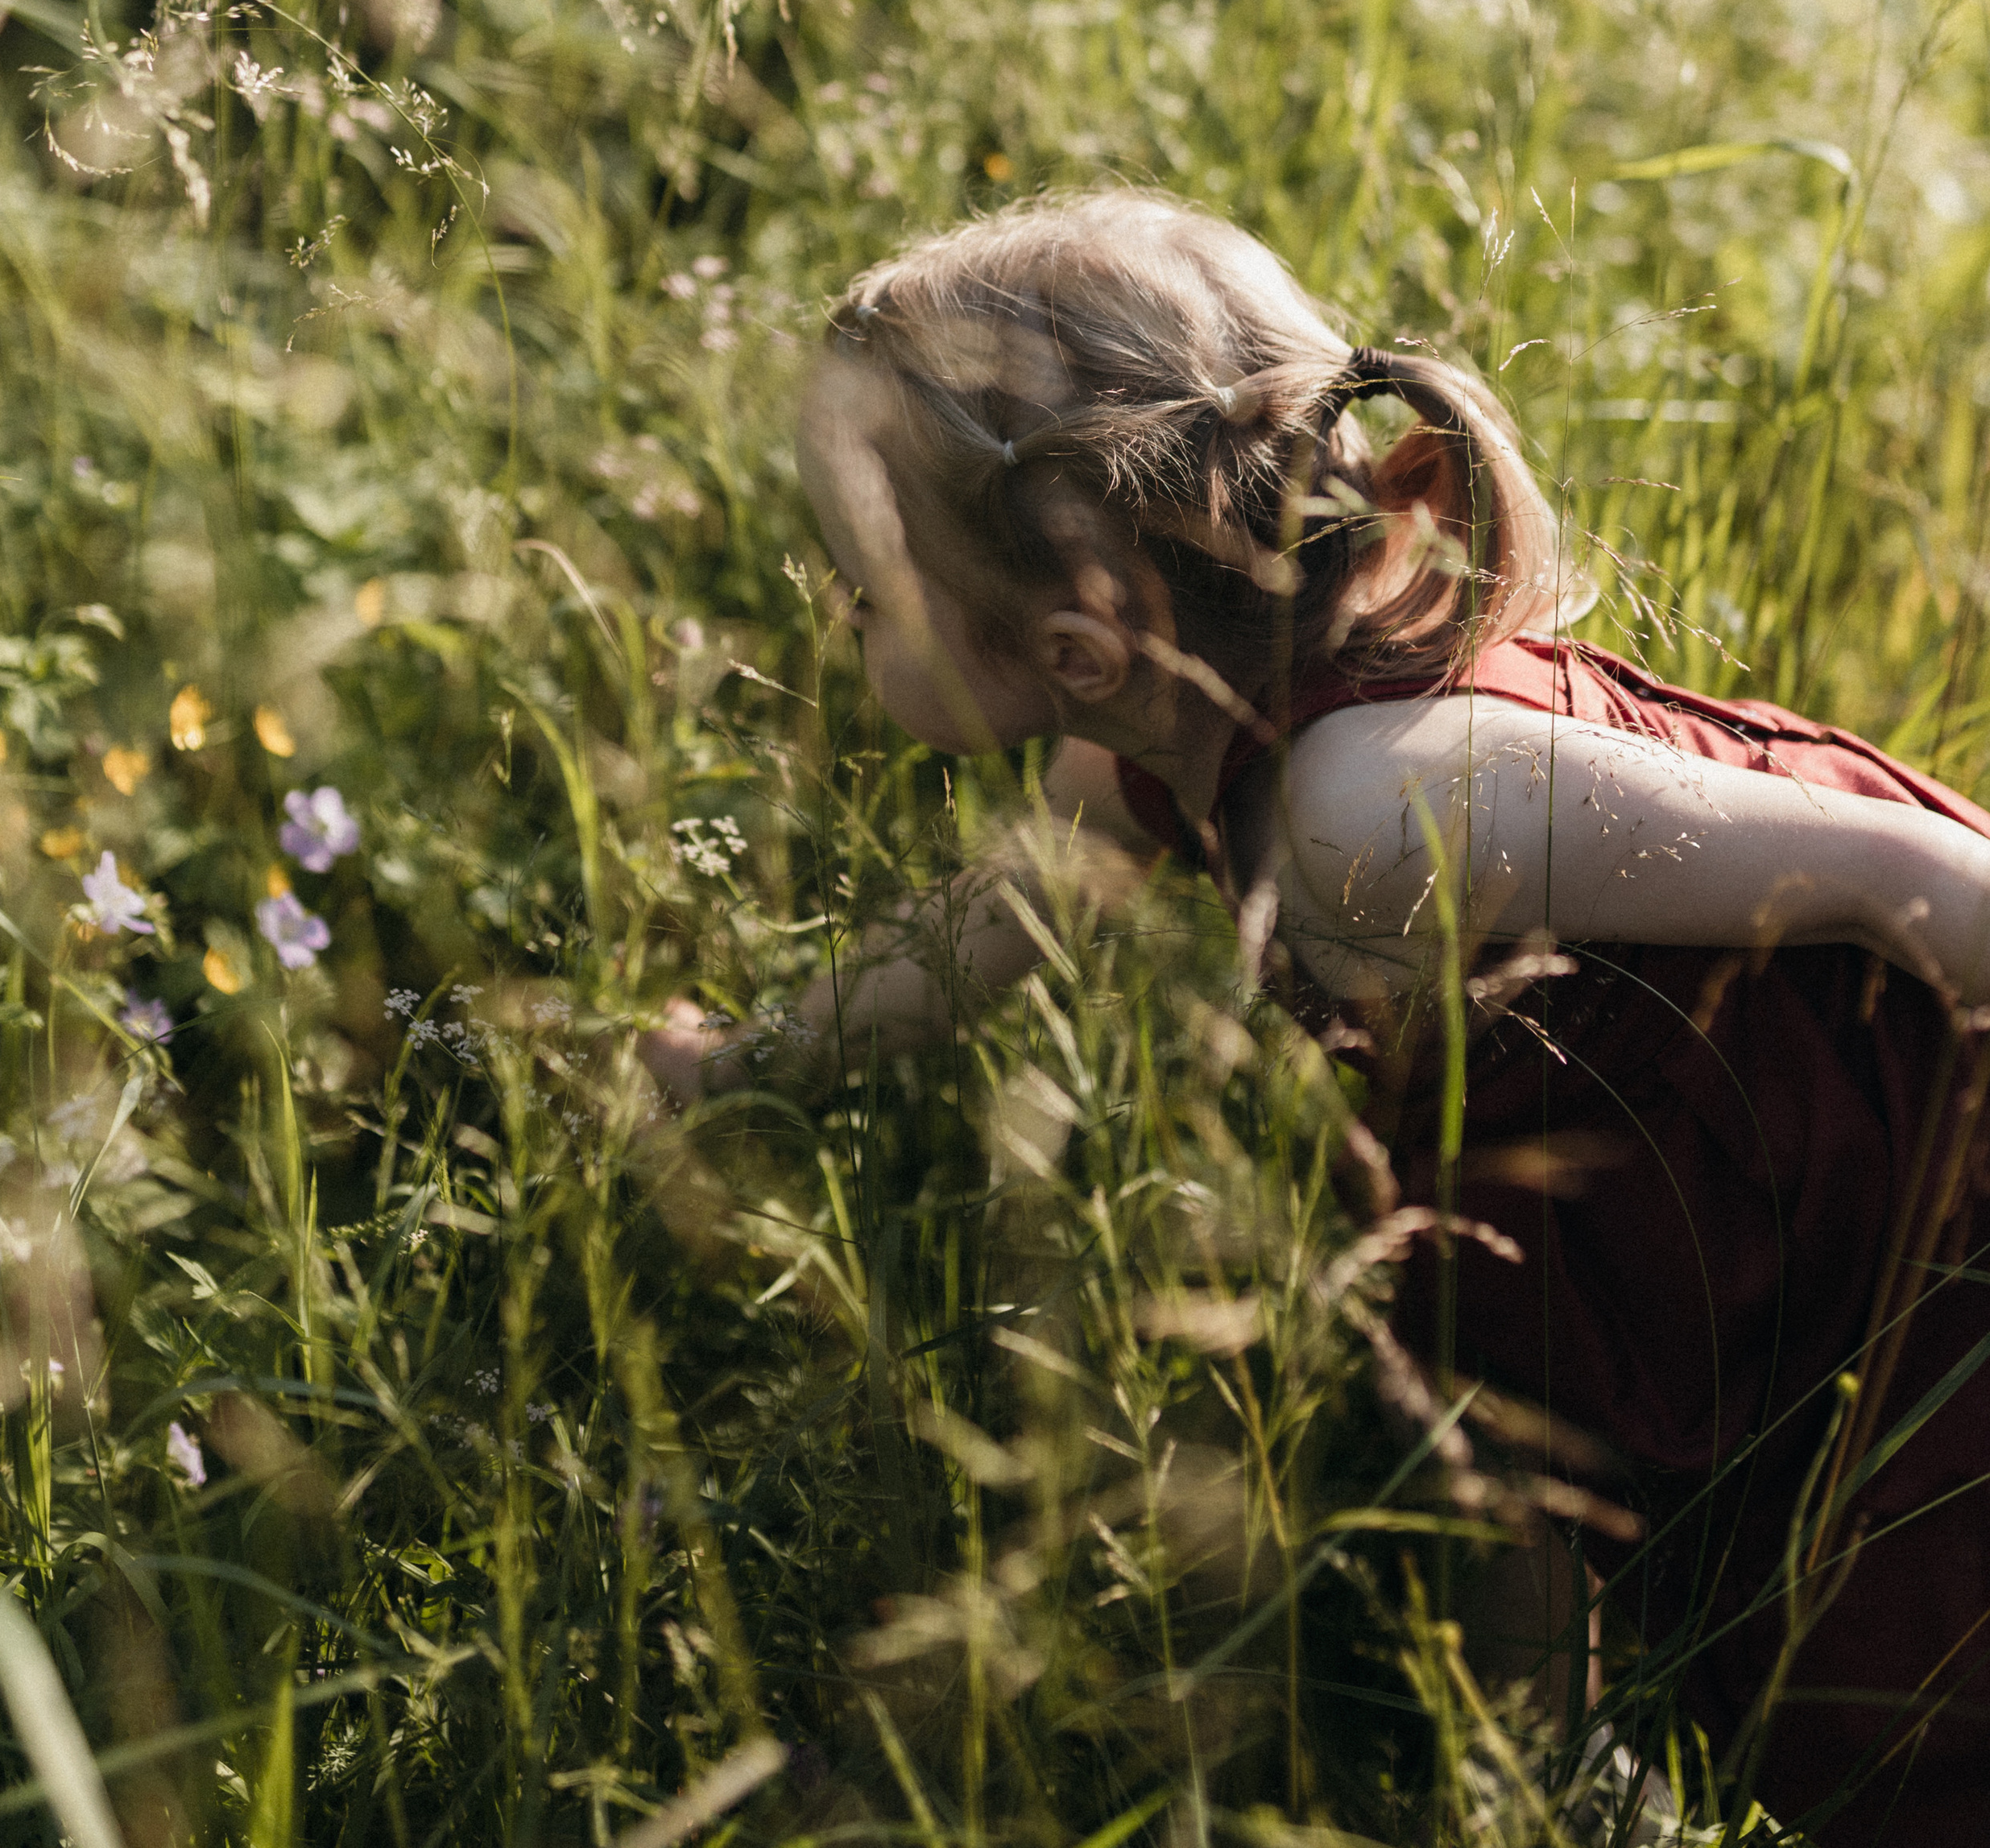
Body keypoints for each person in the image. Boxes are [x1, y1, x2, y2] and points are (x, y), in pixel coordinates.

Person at [643, 190, 1990, 1842]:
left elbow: (1900, 877)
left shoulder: (1365, 808)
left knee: (1889, 1682)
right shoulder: (1170, 718)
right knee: (1492, 1404)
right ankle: (1547, 1785)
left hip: (1865, 1219)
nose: (833, 612)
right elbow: (999, 914)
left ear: (1071, 644)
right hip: (1579, 1209)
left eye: (857, 584)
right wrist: (748, 1065)